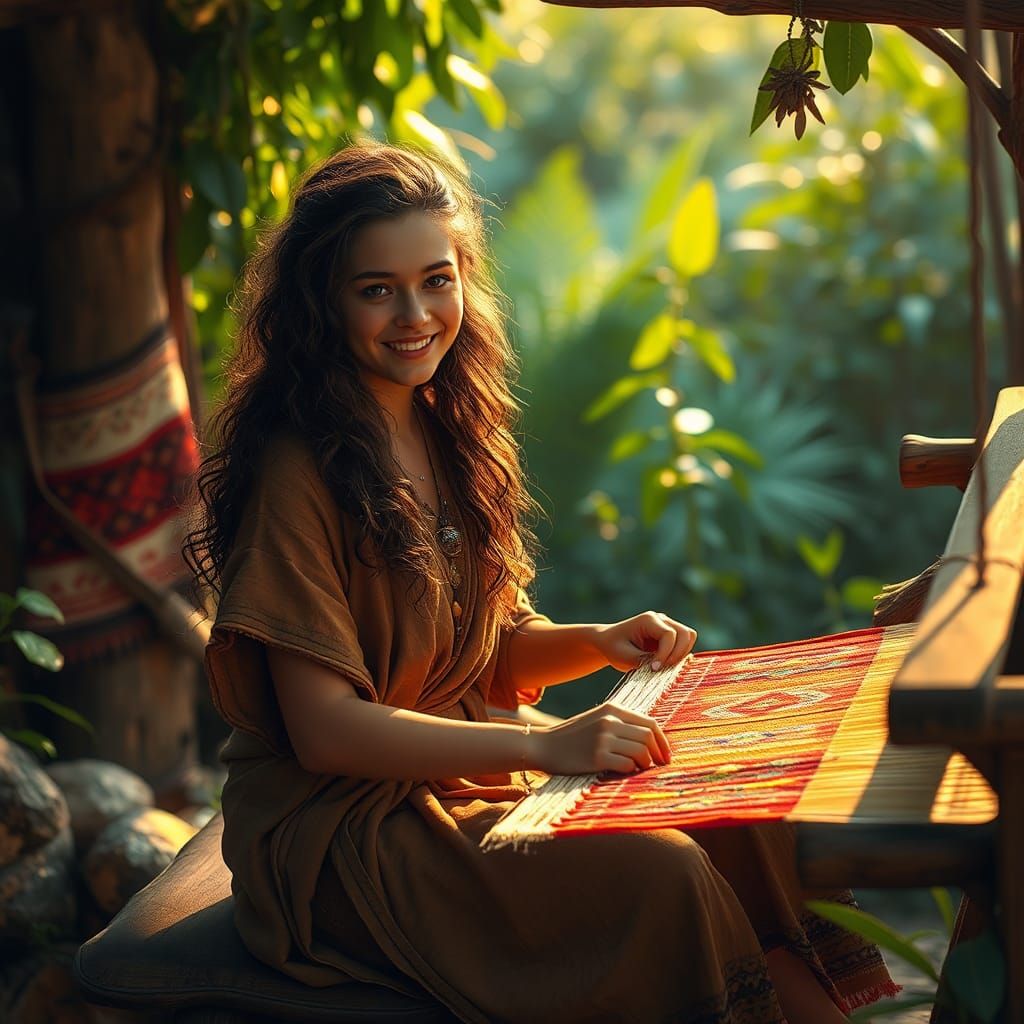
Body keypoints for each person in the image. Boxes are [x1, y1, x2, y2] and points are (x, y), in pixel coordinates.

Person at [185, 141, 896, 1024]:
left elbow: (486, 654)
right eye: (377, 289)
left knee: (734, 808)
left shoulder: (446, 426)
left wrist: (598, 644)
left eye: (435, 280)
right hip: (347, 832)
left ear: (465, 281)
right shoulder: (297, 467)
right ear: (322, 303)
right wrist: (543, 750)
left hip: (460, 765)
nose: (414, 314)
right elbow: (326, 732)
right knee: (664, 871)